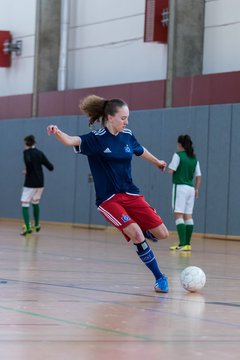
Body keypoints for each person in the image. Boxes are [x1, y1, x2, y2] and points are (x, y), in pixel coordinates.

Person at [47, 95, 169, 293]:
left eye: (127, 118)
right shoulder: (95, 139)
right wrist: (57, 132)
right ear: (110, 117)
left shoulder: (127, 135)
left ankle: (145, 230)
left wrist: (156, 162)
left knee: (162, 234)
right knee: (136, 234)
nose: (126, 121)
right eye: (123, 118)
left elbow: (139, 149)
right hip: (108, 199)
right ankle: (160, 277)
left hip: (131, 194)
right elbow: (70, 141)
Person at [168, 135, 201, 251]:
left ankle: (182, 244)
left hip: (180, 187)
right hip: (191, 189)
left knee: (178, 214)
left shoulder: (178, 155)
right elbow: (199, 176)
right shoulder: (194, 158)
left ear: (180, 144)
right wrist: (196, 189)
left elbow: (171, 170)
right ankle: (187, 244)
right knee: (188, 216)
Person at [20, 135, 54, 236]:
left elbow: (28, 163)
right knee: (35, 202)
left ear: (26, 143)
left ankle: (27, 227)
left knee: (24, 204)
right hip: (40, 183)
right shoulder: (39, 153)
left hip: (30, 183)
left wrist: (27, 171)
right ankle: (37, 224)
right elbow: (51, 167)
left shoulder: (26, 153)